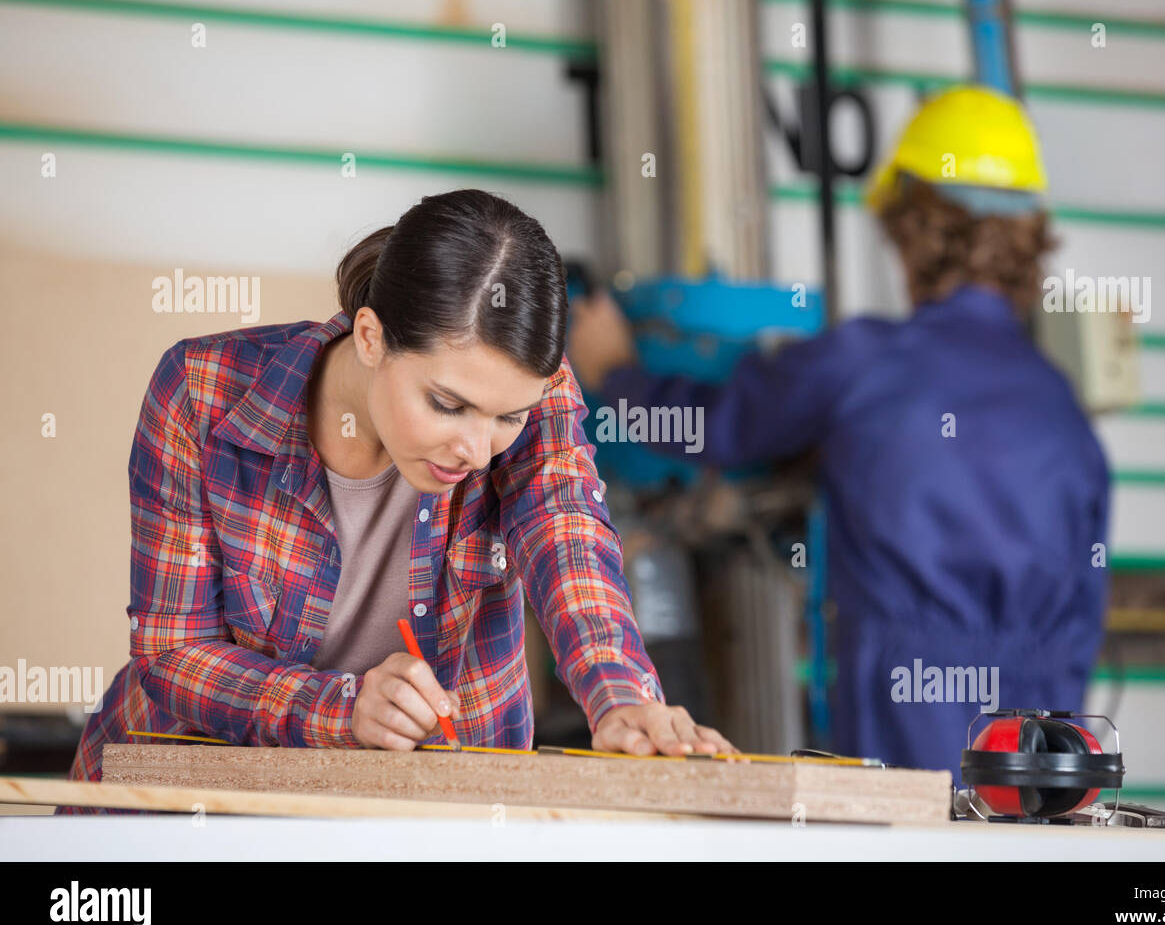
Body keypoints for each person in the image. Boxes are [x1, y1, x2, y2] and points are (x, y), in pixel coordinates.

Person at [63, 189, 734, 813]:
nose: (477, 448)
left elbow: (568, 535)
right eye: (447, 404)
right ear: (370, 336)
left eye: (507, 418)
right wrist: (341, 707)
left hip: (433, 806)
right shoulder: (203, 391)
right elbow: (172, 654)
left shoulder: (534, 389)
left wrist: (621, 698)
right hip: (188, 805)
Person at [567, 85, 1111, 779]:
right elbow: (1082, 614)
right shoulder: (1065, 414)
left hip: (906, 707)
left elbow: (722, 427)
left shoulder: (869, 363)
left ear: (912, 232)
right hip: (1042, 746)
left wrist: (616, 371)